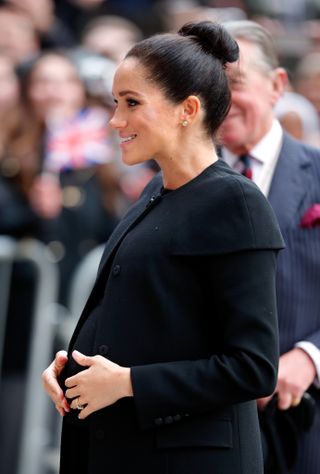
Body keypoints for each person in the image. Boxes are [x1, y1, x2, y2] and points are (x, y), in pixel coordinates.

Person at [42, 20, 284, 474]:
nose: (116, 120)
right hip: (122, 450)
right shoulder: (155, 189)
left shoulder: (236, 201)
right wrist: (72, 369)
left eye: (132, 103)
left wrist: (127, 383)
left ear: (187, 109)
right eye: (116, 103)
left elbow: (252, 367)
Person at [219, 19, 320, 474]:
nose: (220, 101)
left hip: (305, 421)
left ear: (277, 85)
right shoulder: (167, 188)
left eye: (234, 84)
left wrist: (310, 356)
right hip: (206, 428)